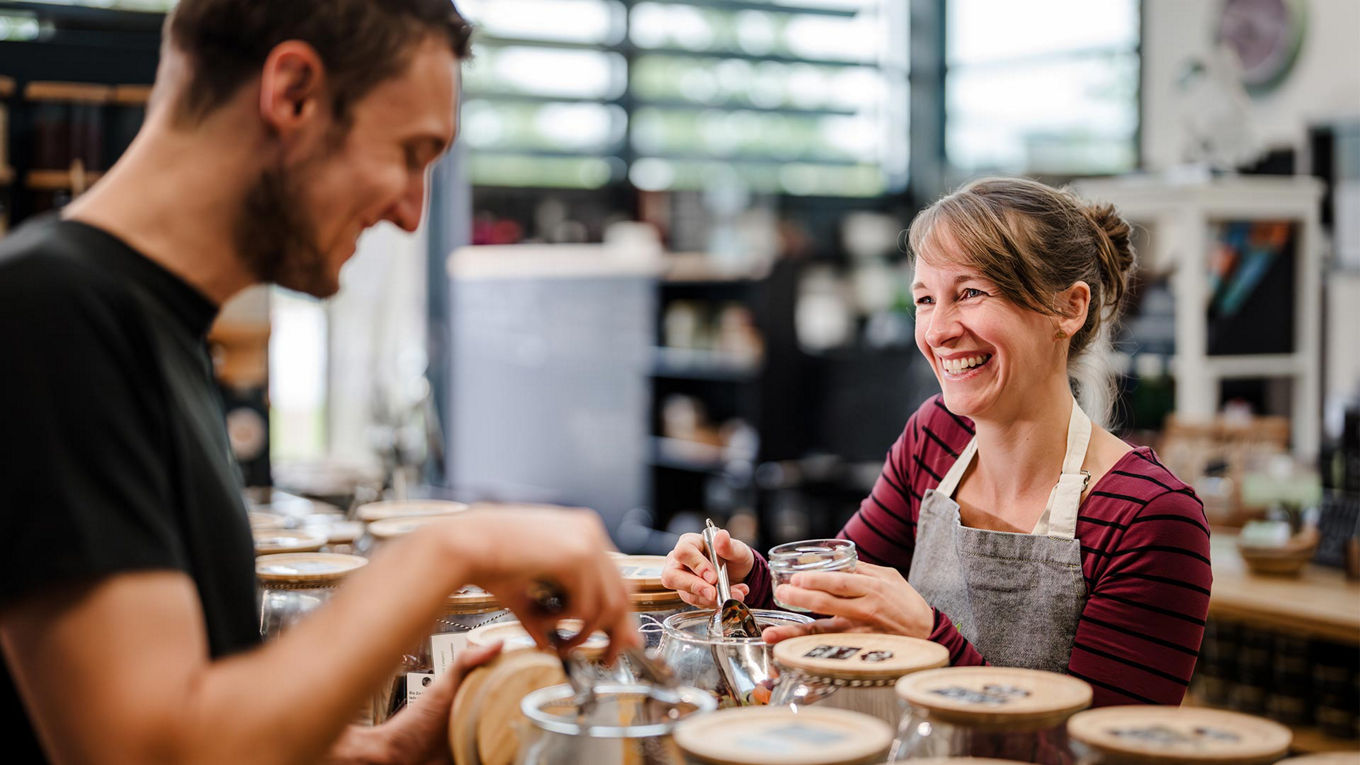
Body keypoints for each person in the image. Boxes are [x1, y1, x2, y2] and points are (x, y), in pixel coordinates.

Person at [0, 2, 637, 763]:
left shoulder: (153, 325)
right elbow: (148, 750)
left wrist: (389, 749)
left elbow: (202, 712)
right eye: (410, 152)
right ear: (294, 92)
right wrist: (453, 549)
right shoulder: (49, 313)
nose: (410, 212)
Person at [663, 177, 1212, 707]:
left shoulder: (1151, 518)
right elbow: (836, 605)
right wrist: (748, 579)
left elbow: (1100, 754)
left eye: (970, 293)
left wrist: (929, 640)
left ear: (1069, 308)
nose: (938, 330)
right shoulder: (935, 438)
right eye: (926, 299)